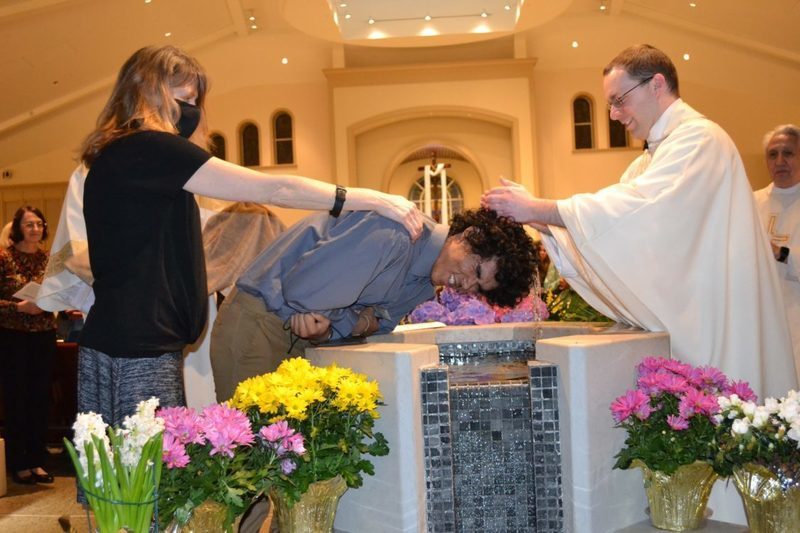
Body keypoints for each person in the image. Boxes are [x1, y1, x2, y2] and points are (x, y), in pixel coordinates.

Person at [76, 45, 424, 429]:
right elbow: (275, 189)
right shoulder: (150, 149)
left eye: (195, 101)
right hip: (136, 347)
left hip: (125, 339)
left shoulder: (124, 154)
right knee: (143, 464)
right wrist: (370, 199)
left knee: (126, 463)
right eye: (183, 99)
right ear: (149, 92)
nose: (191, 111)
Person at [482, 44, 796, 400]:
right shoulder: (650, 159)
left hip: (717, 321)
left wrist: (539, 208)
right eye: (610, 105)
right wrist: (541, 221)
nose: (614, 115)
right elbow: (619, 232)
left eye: (620, 100)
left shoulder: (699, 140)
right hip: (694, 324)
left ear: (656, 85)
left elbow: (635, 209)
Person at [211, 207, 536, 401]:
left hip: (299, 340)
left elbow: (376, 326)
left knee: (285, 464)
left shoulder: (423, 285)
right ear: (468, 235)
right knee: (250, 461)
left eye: (478, 288)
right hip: (259, 323)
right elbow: (305, 294)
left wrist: (334, 327)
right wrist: (356, 320)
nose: (466, 285)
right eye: (476, 271)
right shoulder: (397, 231)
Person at [0, 206, 57, 485]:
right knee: (17, 399)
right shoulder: (4, 258)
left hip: (43, 335)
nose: (35, 229)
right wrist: (19, 307)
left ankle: (37, 461)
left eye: (39, 224)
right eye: (29, 224)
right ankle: (19, 463)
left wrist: (51, 302)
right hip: (13, 337)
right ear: (17, 228)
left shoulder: (49, 259)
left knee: (40, 399)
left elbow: (62, 292)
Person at [754, 124, 800, 383]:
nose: (780, 161)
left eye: (788, 153)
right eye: (773, 154)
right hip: (760, 319)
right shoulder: (750, 202)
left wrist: (781, 253)